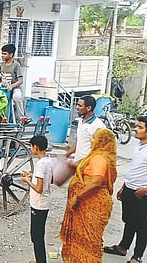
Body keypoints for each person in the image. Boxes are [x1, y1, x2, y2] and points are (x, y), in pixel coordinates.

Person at [60, 128, 118, 262]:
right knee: (81, 238)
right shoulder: (96, 155)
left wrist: (77, 196)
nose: (92, 140)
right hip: (87, 203)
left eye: (94, 137)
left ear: (101, 141)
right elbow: (78, 164)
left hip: (91, 203)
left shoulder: (100, 158)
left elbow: (96, 181)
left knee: (90, 240)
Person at [103, 116, 147, 263]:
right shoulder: (138, 147)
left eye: (140, 127)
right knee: (129, 221)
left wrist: (146, 190)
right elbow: (134, 170)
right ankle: (122, 247)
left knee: (142, 226)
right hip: (129, 189)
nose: (135, 129)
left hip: (142, 194)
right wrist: (123, 187)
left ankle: (137, 256)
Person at [21, 135, 53, 263]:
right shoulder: (48, 160)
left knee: (36, 236)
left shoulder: (40, 164)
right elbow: (47, 179)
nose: (31, 148)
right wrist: (32, 175)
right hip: (45, 202)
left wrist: (27, 180)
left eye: (31, 146)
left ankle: (41, 261)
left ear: (36, 147)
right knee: (38, 234)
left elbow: (39, 189)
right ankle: (39, 259)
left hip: (39, 204)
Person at [65, 95, 105, 167]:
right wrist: (65, 155)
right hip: (79, 165)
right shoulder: (80, 121)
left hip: (89, 166)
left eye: (80, 106)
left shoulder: (98, 126)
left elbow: (99, 150)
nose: (77, 107)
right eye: (77, 105)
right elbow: (78, 142)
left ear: (88, 108)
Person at [0, 43, 24, 121]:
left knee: (17, 97)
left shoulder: (16, 65)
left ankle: (21, 118)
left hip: (15, 87)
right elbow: (1, 77)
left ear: (11, 55)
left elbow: (20, 81)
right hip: (4, 88)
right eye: (2, 53)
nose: (2, 55)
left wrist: (12, 86)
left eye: (4, 54)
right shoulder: (2, 64)